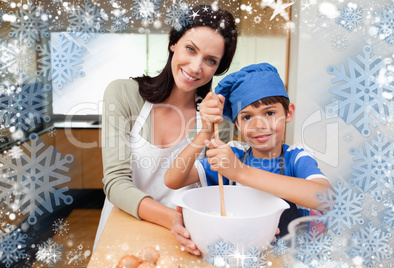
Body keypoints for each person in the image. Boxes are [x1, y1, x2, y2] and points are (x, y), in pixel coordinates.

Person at [93, 4, 238, 255]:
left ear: (218, 68)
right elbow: (115, 182)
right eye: (190, 49)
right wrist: (172, 219)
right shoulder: (124, 95)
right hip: (126, 226)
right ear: (174, 43)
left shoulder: (217, 122)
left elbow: (213, 189)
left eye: (210, 60)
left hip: (186, 238)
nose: (195, 67)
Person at [165, 62, 332, 237]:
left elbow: (327, 199)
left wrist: (239, 172)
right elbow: (173, 179)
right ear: (237, 123)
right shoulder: (233, 156)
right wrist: (206, 129)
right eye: (247, 117)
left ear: (288, 113)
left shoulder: (295, 158)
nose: (259, 125)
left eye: (269, 113)